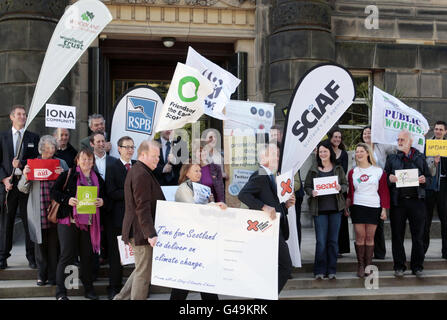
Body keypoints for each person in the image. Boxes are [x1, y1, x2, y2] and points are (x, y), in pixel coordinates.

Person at [238, 143, 295, 293]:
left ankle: (264, 296)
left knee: (275, 267)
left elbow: (273, 203)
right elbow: (243, 194)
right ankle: (266, 297)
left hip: (275, 228)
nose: (278, 157)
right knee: (285, 266)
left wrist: (286, 206)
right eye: (274, 154)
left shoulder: (271, 176)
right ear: (264, 158)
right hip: (268, 229)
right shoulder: (260, 174)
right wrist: (263, 206)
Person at [51, 148, 105, 300]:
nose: (86, 162)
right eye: (83, 159)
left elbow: (105, 196)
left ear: (93, 162)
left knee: (87, 257)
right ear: (77, 160)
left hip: (89, 224)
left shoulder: (97, 178)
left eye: (89, 159)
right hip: (69, 221)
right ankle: (61, 293)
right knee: (67, 256)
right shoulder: (68, 174)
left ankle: (89, 290)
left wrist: (102, 201)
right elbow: (54, 192)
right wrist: (67, 200)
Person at [170, 163, 227, 300]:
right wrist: (212, 205)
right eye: (195, 171)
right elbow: (192, 210)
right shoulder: (184, 189)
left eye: (200, 171)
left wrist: (212, 201)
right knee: (185, 280)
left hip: (200, 239)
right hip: (189, 240)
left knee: (202, 278)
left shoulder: (202, 189)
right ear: (186, 173)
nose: (199, 173)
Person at [18, 135, 69, 286]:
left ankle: (53, 276)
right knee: (39, 244)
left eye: (52, 147)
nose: (50, 151)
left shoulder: (61, 163)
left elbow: (71, 186)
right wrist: (26, 176)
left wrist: (63, 176)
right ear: (41, 149)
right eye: (47, 148)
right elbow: (22, 189)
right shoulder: (33, 164)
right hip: (38, 209)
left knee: (55, 244)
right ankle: (41, 275)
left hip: (55, 209)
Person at [118, 140, 165, 300]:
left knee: (141, 270)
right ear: (143, 155)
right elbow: (142, 206)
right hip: (140, 231)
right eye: (154, 156)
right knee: (143, 275)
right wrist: (150, 233)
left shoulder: (141, 170)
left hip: (139, 230)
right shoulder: (141, 173)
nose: (157, 159)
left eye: (158, 156)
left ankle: (119, 298)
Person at [384, 130, 431, 278]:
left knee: (418, 236)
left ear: (410, 141)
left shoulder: (420, 157)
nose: (399, 142)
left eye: (402, 139)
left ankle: (417, 267)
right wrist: (389, 179)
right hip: (398, 203)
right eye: (398, 139)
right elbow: (384, 179)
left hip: (417, 202)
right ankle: (399, 266)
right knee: (397, 236)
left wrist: (425, 180)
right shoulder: (391, 158)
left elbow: (429, 179)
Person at [0, 105, 40, 270]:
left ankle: (31, 257)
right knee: (6, 223)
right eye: (19, 114)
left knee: (28, 222)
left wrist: (22, 164)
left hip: (26, 185)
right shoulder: (2, 137)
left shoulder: (33, 137)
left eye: (24, 114)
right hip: (9, 186)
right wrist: (4, 179)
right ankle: (2, 257)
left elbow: (37, 160)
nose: (22, 117)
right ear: (11, 117)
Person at [304, 140, 347, 280]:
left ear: (330, 153)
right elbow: (307, 187)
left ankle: (332, 270)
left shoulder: (338, 168)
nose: (322, 154)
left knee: (333, 241)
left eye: (325, 151)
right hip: (320, 211)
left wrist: (341, 188)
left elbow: (345, 185)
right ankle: (319, 271)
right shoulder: (313, 169)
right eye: (320, 151)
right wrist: (312, 192)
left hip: (335, 210)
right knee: (321, 241)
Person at [346, 143, 390, 278]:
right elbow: (350, 192)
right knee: (360, 237)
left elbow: (383, 191)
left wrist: (384, 209)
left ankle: (369, 266)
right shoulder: (353, 172)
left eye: (361, 151)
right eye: (356, 152)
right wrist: (347, 207)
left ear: (367, 153)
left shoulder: (378, 171)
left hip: (374, 207)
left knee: (370, 237)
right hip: (358, 206)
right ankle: (360, 265)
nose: (358, 154)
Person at [358, 126, 396, 260]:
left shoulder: (381, 147)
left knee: (378, 221)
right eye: (365, 133)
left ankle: (380, 252)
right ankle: (366, 253)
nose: (367, 135)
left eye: (370, 132)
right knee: (365, 224)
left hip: (380, 188)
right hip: (364, 191)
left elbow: (396, 146)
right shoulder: (359, 150)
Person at [105, 136, 136, 299]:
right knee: (116, 256)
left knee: (137, 256)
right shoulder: (112, 167)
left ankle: (136, 288)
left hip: (136, 219)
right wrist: (130, 194)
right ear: (119, 148)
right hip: (117, 219)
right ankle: (114, 287)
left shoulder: (137, 165)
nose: (130, 150)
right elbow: (111, 192)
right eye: (127, 147)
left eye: (132, 147)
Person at [424, 121, 447, 258]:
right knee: (426, 220)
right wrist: (434, 161)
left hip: (444, 184)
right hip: (430, 185)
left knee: (445, 219)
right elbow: (423, 162)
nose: (438, 131)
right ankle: (423, 250)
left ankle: (446, 251)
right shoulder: (427, 144)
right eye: (436, 129)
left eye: (440, 129)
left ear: (445, 132)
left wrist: (442, 160)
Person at [327, 129, 350, 257]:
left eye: (339, 137)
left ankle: (340, 248)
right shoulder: (326, 151)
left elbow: (344, 170)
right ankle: (330, 247)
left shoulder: (344, 154)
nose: (337, 139)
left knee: (340, 220)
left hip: (339, 188)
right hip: (327, 189)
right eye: (335, 137)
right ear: (331, 137)